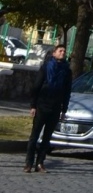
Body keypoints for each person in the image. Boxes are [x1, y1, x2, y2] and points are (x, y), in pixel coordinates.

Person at [25, 44, 73, 173]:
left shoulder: (67, 71)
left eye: (64, 51)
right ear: (54, 53)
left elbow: (67, 91)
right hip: (42, 105)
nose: (63, 53)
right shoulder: (46, 67)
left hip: (56, 107)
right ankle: (28, 163)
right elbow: (36, 87)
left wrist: (64, 109)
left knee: (47, 138)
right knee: (34, 135)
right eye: (60, 51)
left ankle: (40, 163)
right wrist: (33, 105)